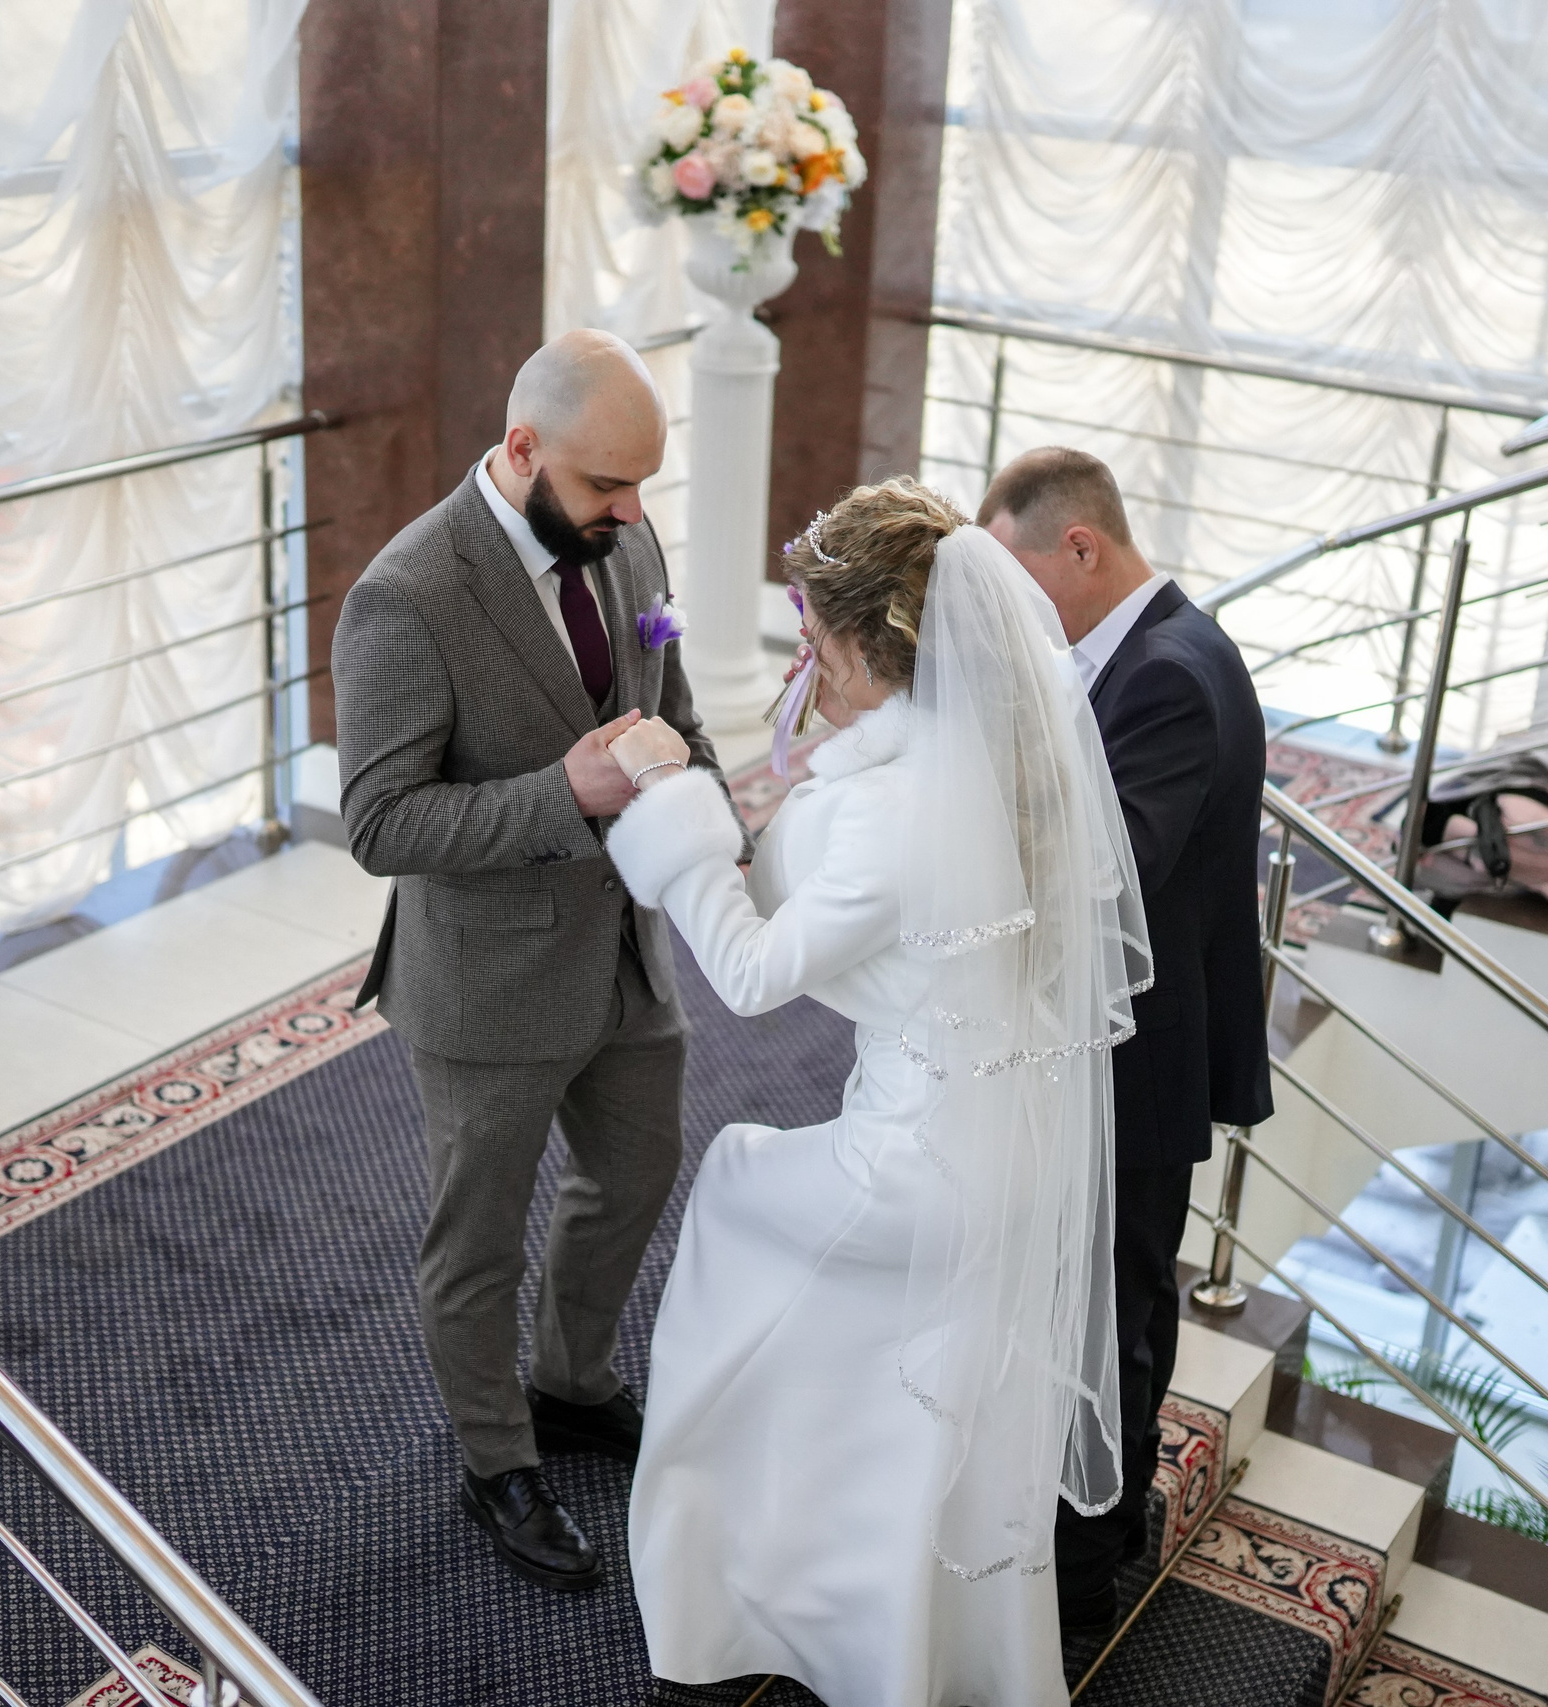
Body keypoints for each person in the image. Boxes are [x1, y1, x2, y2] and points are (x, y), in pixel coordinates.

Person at [601, 479, 1150, 1706]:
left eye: (817, 644)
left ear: (881, 651)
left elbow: (748, 977)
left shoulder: (895, 810)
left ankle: (724, 1573)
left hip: (918, 1170)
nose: (807, 665)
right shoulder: (996, 766)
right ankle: (878, 1617)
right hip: (1008, 1159)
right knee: (879, 1376)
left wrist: (673, 810)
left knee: (734, 1192)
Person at [331, 329, 736, 1593]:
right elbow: (380, 825)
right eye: (607, 487)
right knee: (479, 1240)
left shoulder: (630, 540)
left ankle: (569, 1384)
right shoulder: (406, 596)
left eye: (640, 486)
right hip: (487, 983)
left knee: (635, 1171)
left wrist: (713, 804)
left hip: (625, 950)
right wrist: (562, 792)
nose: (632, 514)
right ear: (521, 450)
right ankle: (495, 1458)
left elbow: (668, 696)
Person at [978, 446, 1274, 1637]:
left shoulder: (1164, 677)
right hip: (1137, 1040)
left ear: (1080, 548)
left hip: (1137, 1055)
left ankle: (1087, 1566)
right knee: (1126, 1293)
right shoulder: (1151, 649)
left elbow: (1109, 874)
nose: (1003, 612)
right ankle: (1117, 1507)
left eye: (1013, 579)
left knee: (1113, 1303)